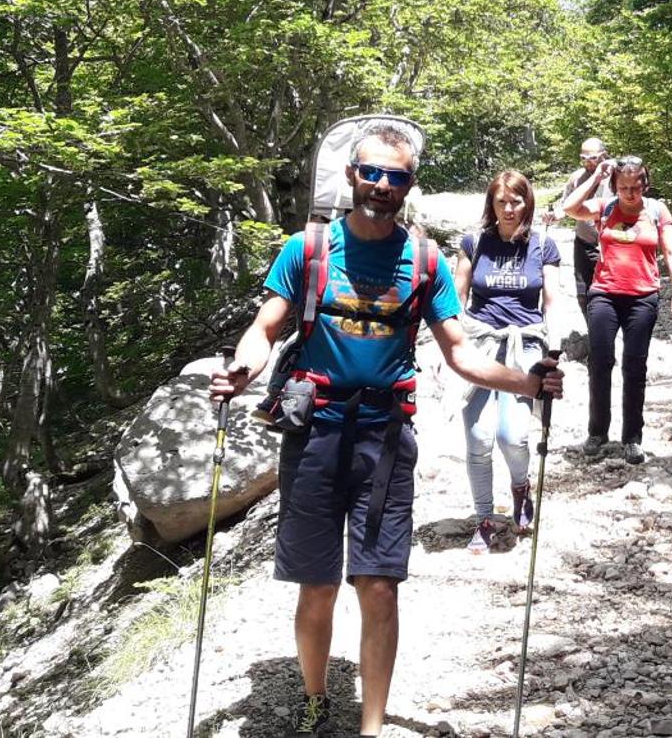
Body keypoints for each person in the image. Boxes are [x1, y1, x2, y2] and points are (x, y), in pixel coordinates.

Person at [210, 124, 565, 738]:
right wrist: (242, 369)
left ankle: (372, 727)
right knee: (316, 584)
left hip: (385, 435)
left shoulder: (425, 260)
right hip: (315, 429)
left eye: (395, 176)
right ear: (351, 175)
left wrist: (531, 383)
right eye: (371, 172)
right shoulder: (308, 248)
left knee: (379, 587)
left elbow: (461, 354)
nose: (381, 185)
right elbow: (265, 328)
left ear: (409, 184)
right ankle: (317, 698)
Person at [454, 169, 562, 554]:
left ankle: (521, 488)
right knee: (479, 437)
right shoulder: (473, 242)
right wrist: (444, 347)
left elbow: (551, 299)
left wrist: (557, 345)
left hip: (526, 346)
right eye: (502, 202)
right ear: (492, 204)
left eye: (516, 201)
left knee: (512, 434)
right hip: (481, 343)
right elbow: (455, 298)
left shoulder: (543, 245)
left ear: (527, 202)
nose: (509, 209)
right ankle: (483, 518)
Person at [558, 154, 672, 465]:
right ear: (615, 186)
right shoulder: (605, 207)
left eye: (636, 186)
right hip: (604, 294)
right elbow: (569, 208)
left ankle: (632, 438)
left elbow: (670, 249)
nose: (630, 193)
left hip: (642, 298)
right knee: (600, 362)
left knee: (634, 366)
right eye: (623, 187)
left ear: (645, 184)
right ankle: (597, 432)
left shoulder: (656, 210)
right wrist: (596, 178)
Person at [557, 137, 613, 312]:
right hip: (584, 244)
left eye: (592, 158)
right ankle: (593, 333)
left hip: (611, 245)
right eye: (583, 158)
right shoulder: (576, 177)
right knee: (583, 293)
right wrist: (553, 215)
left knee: (609, 293)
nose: (587, 163)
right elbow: (564, 206)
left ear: (603, 155)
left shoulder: (616, 176)